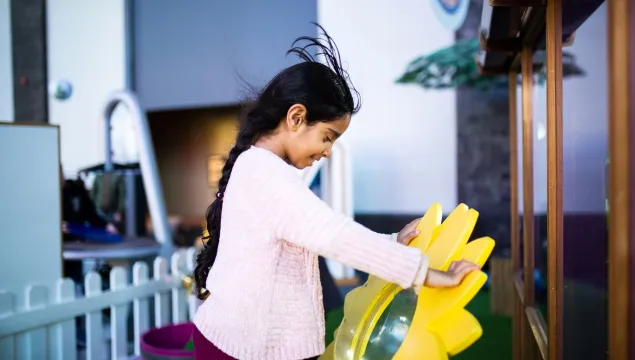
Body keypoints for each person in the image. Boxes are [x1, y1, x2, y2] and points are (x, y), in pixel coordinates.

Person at [192, 24, 479, 360]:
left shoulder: (262, 169)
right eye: (327, 136)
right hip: (242, 350)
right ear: (296, 118)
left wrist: (391, 242)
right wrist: (425, 273)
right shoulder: (264, 173)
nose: (327, 151)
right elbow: (331, 233)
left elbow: (312, 232)